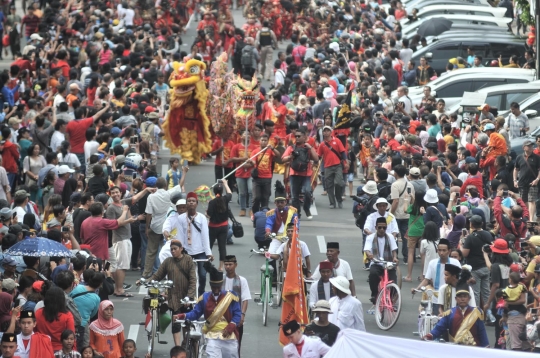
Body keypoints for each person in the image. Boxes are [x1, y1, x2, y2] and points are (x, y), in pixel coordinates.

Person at [175, 263, 241, 358]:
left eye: (218, 286)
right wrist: (183, 316)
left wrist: (231, 325)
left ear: (221, 284)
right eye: (214, 286)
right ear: (210, 284)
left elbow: (237, 314)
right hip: (212, 337)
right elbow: (195, 313)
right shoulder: (204, 298)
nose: (216, 289)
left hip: (229, 336)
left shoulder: (230, 297)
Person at [142, 240, 196, 347]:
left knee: (186, 322)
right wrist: (146, 281)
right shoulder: (168, 261)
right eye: (171, 249)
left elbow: (193, 280)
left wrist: (189, 296)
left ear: (181, 249)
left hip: (186, 297)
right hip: (174, 297)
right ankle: (177, 347)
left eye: (175, 249)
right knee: (176, 323)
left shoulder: (188, 260)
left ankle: (185, 342)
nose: (173, 251)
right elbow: (157, 276)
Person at [106, 185, 155, 297]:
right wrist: (130, 218)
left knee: (121, 265)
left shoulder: (124, 202)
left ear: (120, 193)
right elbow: (114, 225)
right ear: (110, 195)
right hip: (120, 239)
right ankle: (119, 289)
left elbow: (135, 198)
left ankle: (119, 288)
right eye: (113, 193)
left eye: (117, 192)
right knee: (121, 266)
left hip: (126, 238)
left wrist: (146, 189)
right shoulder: (111, 208)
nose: (115, 194)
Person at [163, 192, 213, 297]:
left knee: (203, 275)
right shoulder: (181, 219)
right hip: (187, 251)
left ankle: (201, 296)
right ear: (187, 204)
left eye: (193, 201)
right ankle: (187, 296)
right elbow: (180, 236)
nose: (191, 203)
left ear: (196, 203)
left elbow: (205, 236)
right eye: (189, 201)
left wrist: (208, 253)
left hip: (200, 252)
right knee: (186, 276)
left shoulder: (202, 218)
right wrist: (180, 252)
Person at [423, 283, 489, 346]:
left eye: (465, 296)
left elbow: (482, 333)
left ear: (469, 298)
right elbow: (439, 328)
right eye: (460, 297)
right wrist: (429, 336)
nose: (462, 299)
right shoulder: (449, 313)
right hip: (456, 348)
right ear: (456, 299)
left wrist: (486, 348)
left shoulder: (477, 312)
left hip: (473, 349)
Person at [413, 239, 461, 314]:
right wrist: (416, 289)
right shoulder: (432, 263)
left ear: (449, 251)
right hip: (436, 298)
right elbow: (426, 280)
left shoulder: (455, 262)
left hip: (452, 298)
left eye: (444, 250)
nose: (441, 253)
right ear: (437, 250)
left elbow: (459, 279)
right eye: (439, 250)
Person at [281, 128, 319, 219]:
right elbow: (283, 159)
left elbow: (316, 159)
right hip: (294, 174)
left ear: (304, 137)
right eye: (296, 136)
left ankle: (306, 208)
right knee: (294, 196)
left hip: (306, 174)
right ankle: (297, 214)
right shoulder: (291, 148)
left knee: (307, 192)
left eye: (299, 136)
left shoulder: (308, 148)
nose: (297, 138)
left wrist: (310, 148)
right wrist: (291, 156)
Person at [364, 217, 399, 303]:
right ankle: (374, 294)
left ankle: (391, 298)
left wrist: (395, 257)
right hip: (376, 263)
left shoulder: (390, 237)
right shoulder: (370, 237)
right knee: (373, 275)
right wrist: (370, 255)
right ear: (376, 227)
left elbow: (394, 250)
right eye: (379, 227)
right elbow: (367, 250)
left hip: (388, 263)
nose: (382, 229)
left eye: (384, 227)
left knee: (393, 281)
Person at [462, 215, 493, 308]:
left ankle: (475, 314)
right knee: (486, 292)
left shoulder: (470, 237)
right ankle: (489, 314)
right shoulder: (488, 234)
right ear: (482, 224)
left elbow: (464, 254)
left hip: (475, 268)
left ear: (471, 224)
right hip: (486, 266)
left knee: (475, 293)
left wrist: (461, 244)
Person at [221, 255, 251, 353]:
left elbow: (245, 299)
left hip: (236, 316)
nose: (228, 267)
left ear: (235, 265)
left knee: (236, 344)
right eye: (226, 264)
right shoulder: (221, 280)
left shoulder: (242, 280)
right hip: (222, 317)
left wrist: (242, 315)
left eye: (230, 264)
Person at [35, 287, 75, 352]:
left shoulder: (38, 313)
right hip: (61, 350)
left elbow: (34, 332)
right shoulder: (67, 316)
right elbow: (71, 336)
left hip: (41, 349)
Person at [317, 126, 348, 209]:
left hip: (337, 165)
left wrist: (346, 162)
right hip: (327, 167)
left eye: (328, 131)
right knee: (329, 186)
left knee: (338, 183)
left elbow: (343, 152)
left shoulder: (337, 141)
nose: (326, 132)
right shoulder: (322, 144)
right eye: (324, 131)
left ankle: (339, 199)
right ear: (323, 133)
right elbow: (318, 156)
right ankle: (332, 202)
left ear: (331, 132)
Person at [207, 181, 232, 271]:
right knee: (222, 247)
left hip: (213, 227)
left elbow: (209, 215)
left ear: (214, 191)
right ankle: (221, 267)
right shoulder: (225, 199)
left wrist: (206, 212)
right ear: (222, 191)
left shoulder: (212, 203)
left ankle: (207, 263)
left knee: (209, 246)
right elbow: (229, 193)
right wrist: (226, 184)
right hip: (223, 227)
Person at [514, 140, 540, 220]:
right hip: (522, 183)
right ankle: (527, 217)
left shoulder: (536, 158)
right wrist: (515, 180)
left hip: (533, 183)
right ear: (523, 148)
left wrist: (537, 179)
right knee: (524, 201)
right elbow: (516, 169)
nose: (531, 147)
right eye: (528, 146)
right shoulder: (519, 157)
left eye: (531, 146)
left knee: (532, 200)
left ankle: (531, 219)